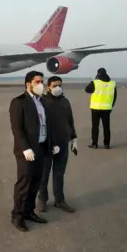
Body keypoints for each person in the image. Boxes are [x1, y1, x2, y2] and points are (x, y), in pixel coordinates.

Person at [9, 70, 60, 232]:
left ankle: (29, 211)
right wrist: (25, 148)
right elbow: (17, 129)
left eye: (42, 82)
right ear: (28, 84)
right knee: (24, 183)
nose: (41, 85)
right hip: (27, 151)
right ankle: (17, 215)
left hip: (42, 147)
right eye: (37, 82)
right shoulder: (19, 102)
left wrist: (52, 143)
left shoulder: (42, 101)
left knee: (36, 182)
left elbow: (46, 124)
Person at [37, 76, 77, 213]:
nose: (58, 88)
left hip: (63, 143)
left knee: (59, 173)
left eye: (60, 85)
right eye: (54, 86)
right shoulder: (42, 102)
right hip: (47, 145)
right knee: (44, 173)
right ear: (48, 87)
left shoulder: (65, 102)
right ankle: (42, 199)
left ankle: (60, 200)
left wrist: (74, 138)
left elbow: (70, 121)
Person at [85, 68, 117, 149]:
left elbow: (87, 89)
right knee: (106, 127)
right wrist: (111, 106)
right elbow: (114, 96)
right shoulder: (112, 84)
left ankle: (94, 143)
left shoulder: (95, 82)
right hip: (107, 108)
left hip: (95, 108)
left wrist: (94, 80)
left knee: (95, 126)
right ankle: (107, 144)